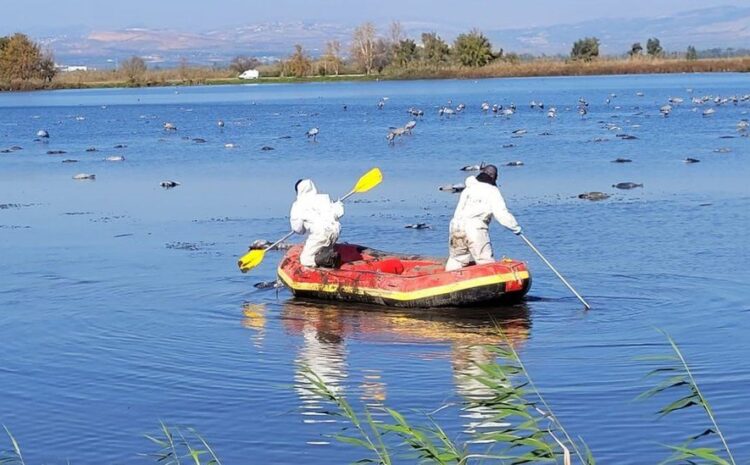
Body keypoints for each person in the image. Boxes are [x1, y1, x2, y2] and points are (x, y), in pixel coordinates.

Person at [445, 164, 522, 271]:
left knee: (457, 259)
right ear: (494, 176)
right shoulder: (492, 191)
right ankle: (493, 285)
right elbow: (501, 214)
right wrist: (515, 227)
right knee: (485, 261)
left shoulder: (469, 188)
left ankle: (449, 282)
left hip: (456, 226)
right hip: (475, 228)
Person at [290, 179, 344, 268]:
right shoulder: (324, 198)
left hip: (320, 234)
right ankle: (326, 255)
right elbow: (339, 212)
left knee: (305, 259)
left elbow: (298, 229)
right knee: (322, 246)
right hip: (335, 231)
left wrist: (303, 228)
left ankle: (328, 258)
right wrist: (338, 204)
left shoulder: (298, 205)